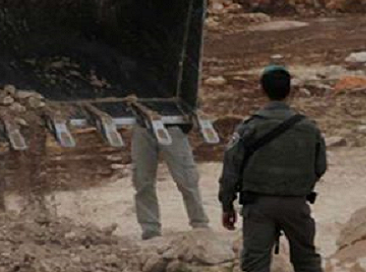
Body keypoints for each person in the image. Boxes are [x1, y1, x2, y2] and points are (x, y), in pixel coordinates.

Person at [219, 65, 327, 272]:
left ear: (262, 89)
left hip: (258, 205)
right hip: (296, 204)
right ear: (289, 90)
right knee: (307, 260)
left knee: (255, 262)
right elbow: (320, 166)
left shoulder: (249, 127)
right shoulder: (309, 128)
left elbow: (230, 170)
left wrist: (227, 205)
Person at [132, 115, 209, 240]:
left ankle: (199, 223)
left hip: (172, 127)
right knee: (142, 180)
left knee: (186, 179)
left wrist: (184, 125)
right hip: (143, 126)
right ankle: (150, 228)